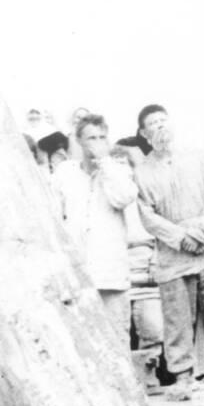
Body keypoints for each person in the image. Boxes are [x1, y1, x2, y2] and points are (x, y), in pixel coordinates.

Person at [131, 104, 204, 401]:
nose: (161, 128)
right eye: (153, 125)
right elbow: (148, 217)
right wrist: (180, 237)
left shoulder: (198, 157)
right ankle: (182, 378)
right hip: (174, 255)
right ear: (145, 134)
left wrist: (202, 226)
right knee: (176, 320)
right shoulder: (142, 172)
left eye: (163, 121)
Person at [49, 115, 138, 347]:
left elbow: (123, 197)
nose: (96, 142)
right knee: (81, 342)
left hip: (111, 271)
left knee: (117, 339)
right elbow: (54, 216)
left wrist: (105, 162)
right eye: (91, 138)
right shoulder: (64, 172)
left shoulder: (118, 170)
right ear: (78, 140)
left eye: (101, 137)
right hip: (78, 273)